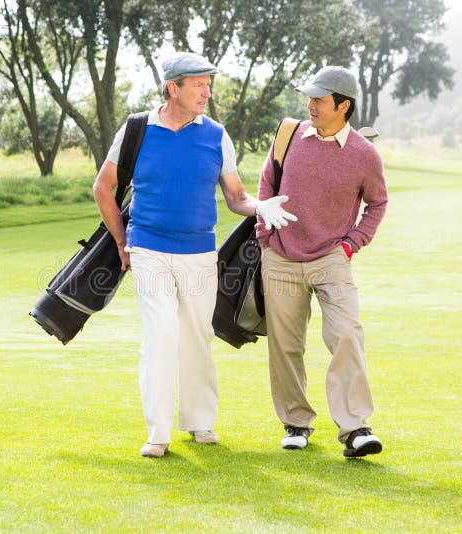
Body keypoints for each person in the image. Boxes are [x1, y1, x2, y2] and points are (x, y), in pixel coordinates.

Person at [93, 52, 296, 458]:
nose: (207, 92)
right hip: (148, 247)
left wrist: (261, 206)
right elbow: (103, 187)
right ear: (174, 87)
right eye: (199, 84)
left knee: (197, 336)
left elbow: (236, 197)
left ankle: (200, 422)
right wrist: (120, 242)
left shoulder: (216, 135)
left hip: (200, 253)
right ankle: (158, 432)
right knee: (161, 334)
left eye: (208, 84)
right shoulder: (136, 129)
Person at [256, 66, 388, 457]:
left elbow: (377, 203)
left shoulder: (365, 155)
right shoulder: (289, 135)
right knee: (285, 345)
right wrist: (266, 237)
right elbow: (266, 186)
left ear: (343, 106)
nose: (310, 105)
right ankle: (296, 422)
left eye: (319, 99)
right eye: (310, 98)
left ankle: (355, 429)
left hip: (332, 257)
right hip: (280, 256)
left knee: (347, 333)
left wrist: (352, 244)